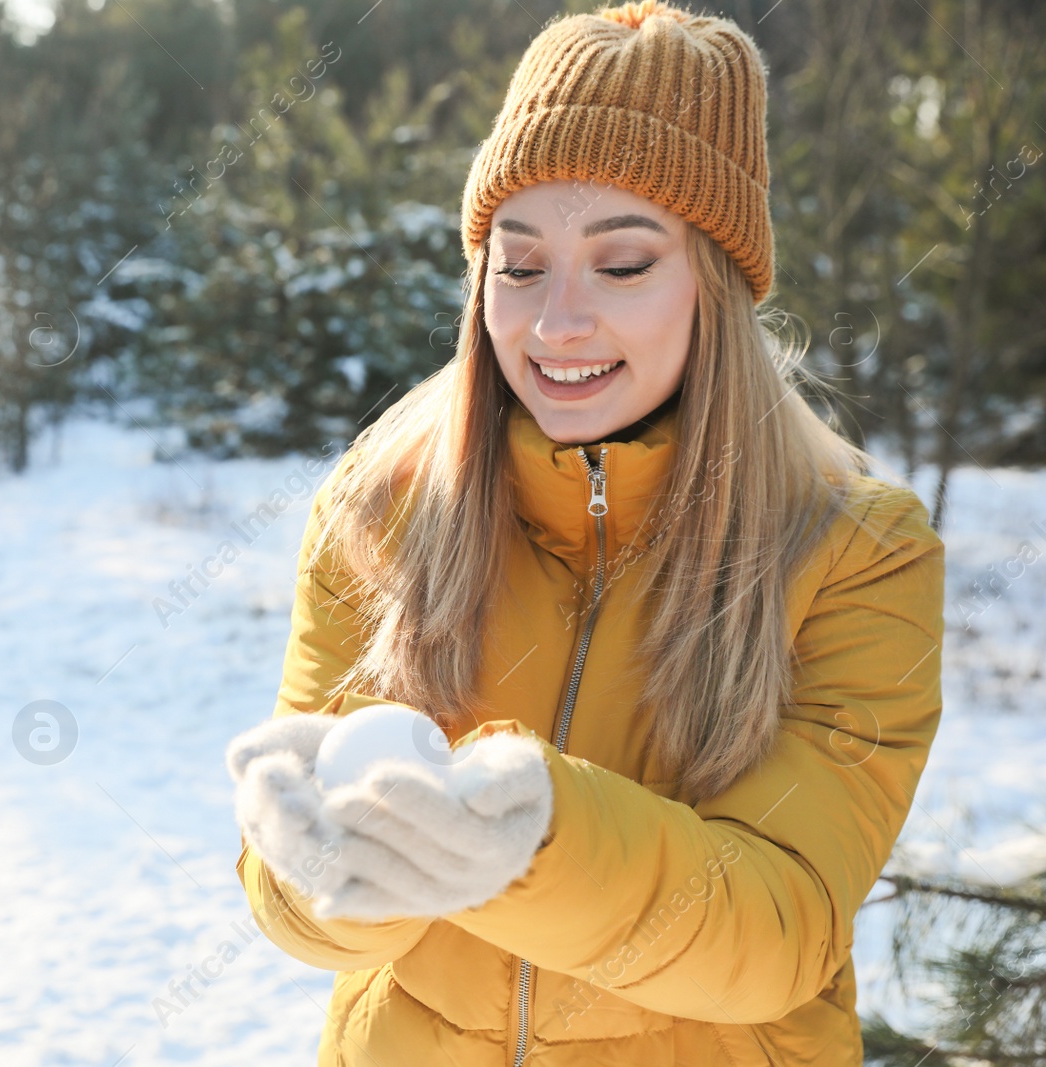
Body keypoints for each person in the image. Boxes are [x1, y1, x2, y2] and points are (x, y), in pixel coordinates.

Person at [223, 1, 946, 1063]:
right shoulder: (382, 504)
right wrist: (321, 865)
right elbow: (304, 925)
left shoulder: (857, 550)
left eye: (621, 264)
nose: (555, 322)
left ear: (714, 281)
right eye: (518, 266)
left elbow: (777, 929)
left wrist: (528, 842)